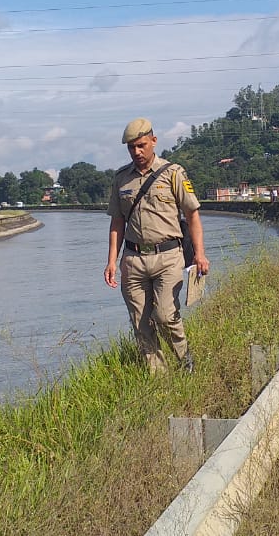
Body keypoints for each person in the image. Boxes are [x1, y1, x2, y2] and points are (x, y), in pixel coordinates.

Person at [104, 117, 210, 373]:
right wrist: (111, 261)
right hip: (133, 259)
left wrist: (200, 254)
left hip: (168, 256)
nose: (137, 152)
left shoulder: (174, 173)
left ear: (153, 141)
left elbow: (192, 214)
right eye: (132, 148)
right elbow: (117, 222)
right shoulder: (121, 179)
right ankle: (158, 377)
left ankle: (186, 361)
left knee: (164, 314)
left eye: (141, 145)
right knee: (140, 322)